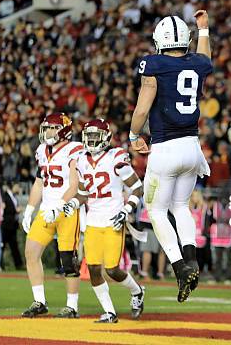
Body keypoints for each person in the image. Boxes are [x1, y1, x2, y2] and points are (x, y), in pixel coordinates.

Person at [129, 10, 212, 302]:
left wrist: (133, 135)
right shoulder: (197, 63)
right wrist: (204, 30)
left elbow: (142, 107)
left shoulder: (154, 63)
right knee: (180, 206)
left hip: (165, 148)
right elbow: (206, 60)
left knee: (155, 210)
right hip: (192, 147)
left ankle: (179, 267)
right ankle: (191, 259)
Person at [67, 118, 145, 323]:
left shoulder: (116, 157)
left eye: (96, 136)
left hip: (113, 220)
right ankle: (109, 312)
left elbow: (137, 187)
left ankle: (137, 292)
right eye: (89, 136)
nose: (92, 140)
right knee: (92, 268)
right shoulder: (81, 160)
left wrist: (127, 210)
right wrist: (71, 204)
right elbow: (84, 193)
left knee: (112, 270)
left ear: (106, 138)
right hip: (93, 221)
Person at [20, 113, 83, 318]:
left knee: (68, 259)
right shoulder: (41, 150)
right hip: (46, 210)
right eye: (46, 128)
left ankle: (72, 306)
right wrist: (30, 209)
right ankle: (39, 301)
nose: (47, 132)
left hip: (66, 210)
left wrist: (60, 204)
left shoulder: (74, 150)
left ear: (63, 130)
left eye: (52, 128)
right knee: (31, 252)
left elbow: (75, 184)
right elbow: (39, 182)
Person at [1, 183, 23, 270]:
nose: (18, 188)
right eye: (17, 186)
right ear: (12, 186)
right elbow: (6, 210)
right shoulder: (5, 196)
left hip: (12, 226)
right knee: (2, 246)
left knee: (14, 246)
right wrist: (16, 210)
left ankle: (19, 265)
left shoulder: (14, 197)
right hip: (6, 226)